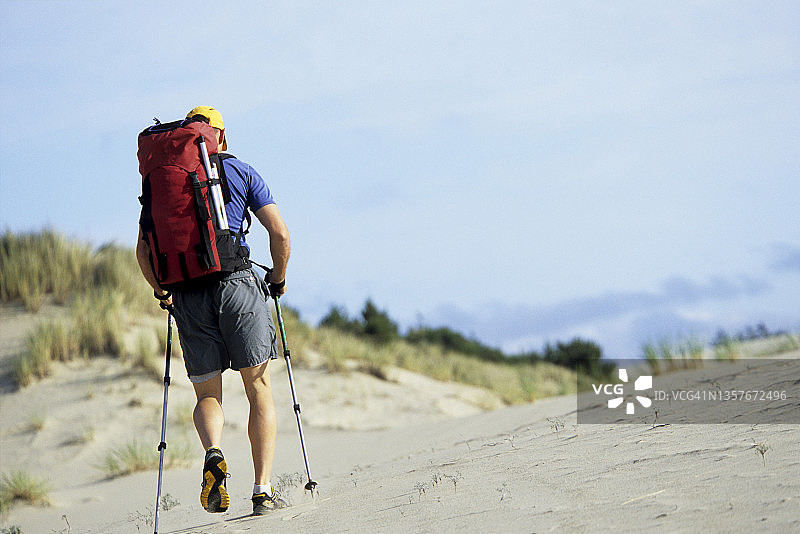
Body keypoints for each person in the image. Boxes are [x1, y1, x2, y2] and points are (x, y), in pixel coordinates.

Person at [135, 106, 291, 515]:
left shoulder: (166, 179)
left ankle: (214, 452)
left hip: (187, 292)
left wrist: (162, 292)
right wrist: (277, 278)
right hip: (238, 284)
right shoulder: (242, 172)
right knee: (258, 388)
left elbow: (143, 250)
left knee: (207, 394)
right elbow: (279, 233)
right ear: (218, 136)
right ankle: (262, 490)